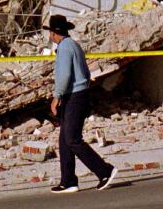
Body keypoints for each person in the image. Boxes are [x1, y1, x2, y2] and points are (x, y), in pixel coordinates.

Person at [44, 14, 118, 194]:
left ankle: (105, 171)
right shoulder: (74, 45)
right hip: (79, 94)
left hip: (74, 97)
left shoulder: (64, 48)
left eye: (50, 32)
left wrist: (56, 97)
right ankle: (68, 181)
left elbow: (64, 75)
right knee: (64, 140)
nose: (49, 36)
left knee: (72, 139)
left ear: (54, 33)